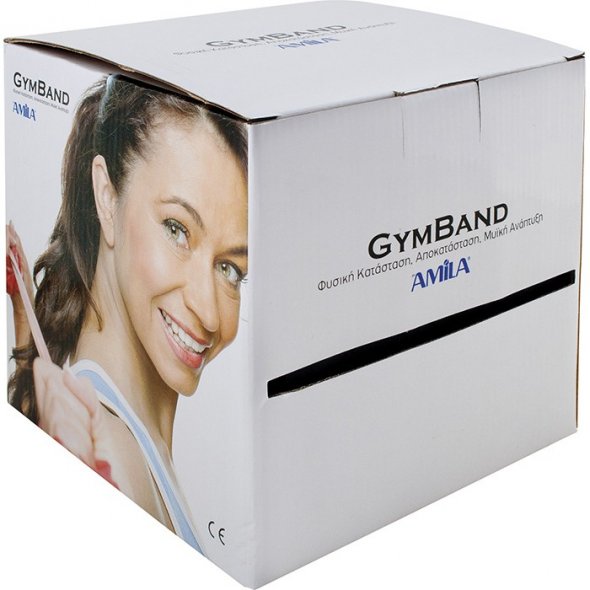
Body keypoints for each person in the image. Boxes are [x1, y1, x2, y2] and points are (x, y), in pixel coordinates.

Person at [6, 74, 248, 553]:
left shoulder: (137, 451)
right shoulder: (115, 455)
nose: (208, 311)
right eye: (177, 229)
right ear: (107, 197)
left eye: (230, 269)